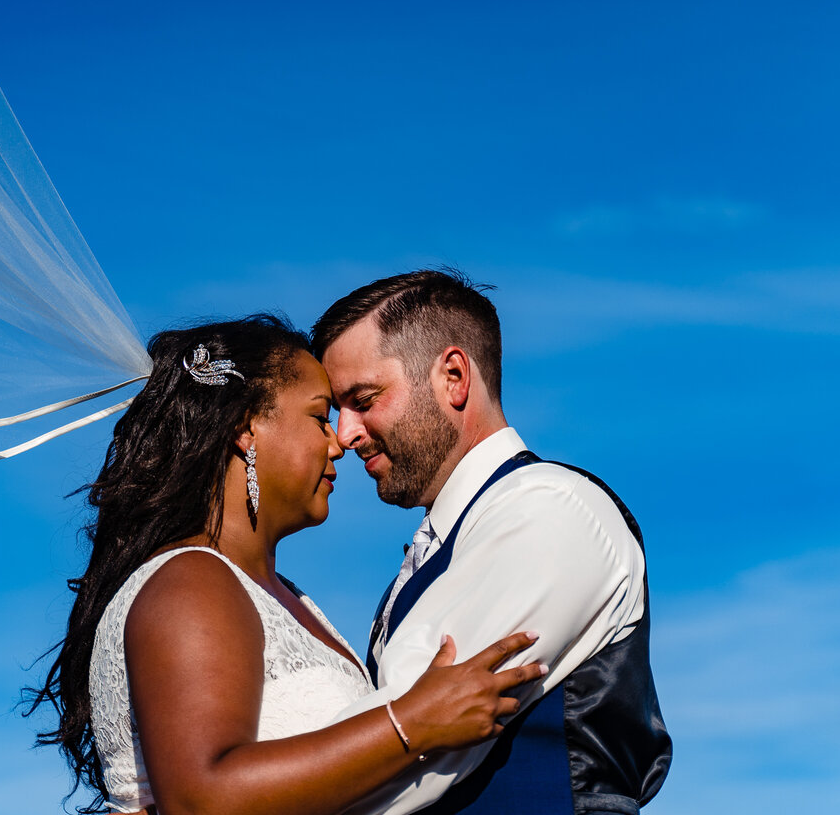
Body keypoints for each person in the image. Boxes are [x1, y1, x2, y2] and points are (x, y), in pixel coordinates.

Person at [29, 315, 550, 815]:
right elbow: (200, 799)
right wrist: (414, 722)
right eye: (319, 416)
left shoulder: (289, 598)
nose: (339, 442)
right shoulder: (191, 580)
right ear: (245, 428)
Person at [312, 270, 671, 815]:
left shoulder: (550, 509)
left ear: (454, 376)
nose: (345, 433)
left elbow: (413, 758)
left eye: (364, 399)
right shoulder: (440, 546)